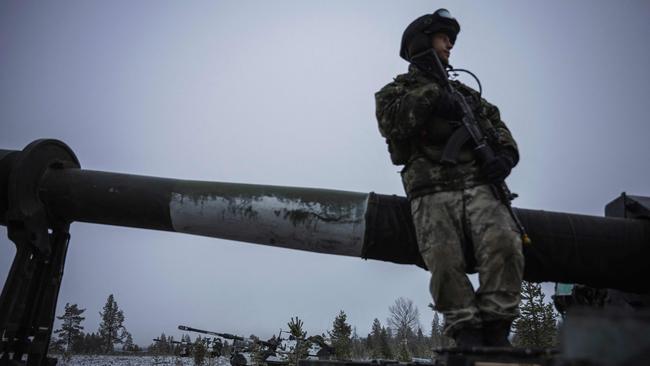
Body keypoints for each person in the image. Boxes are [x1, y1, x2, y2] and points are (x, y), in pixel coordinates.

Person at [374, 9, 524, 347]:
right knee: (443, 260)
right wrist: (432, 96)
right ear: (422, 42)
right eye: (444, 38)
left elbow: (497, 127)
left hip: (479, 184)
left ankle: (497, 328)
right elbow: (393, 123)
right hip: (430, 188)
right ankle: (466, 330)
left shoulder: (466, 95)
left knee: (505, 244)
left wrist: (505, 156)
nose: (450, 46)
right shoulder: (394, 91)